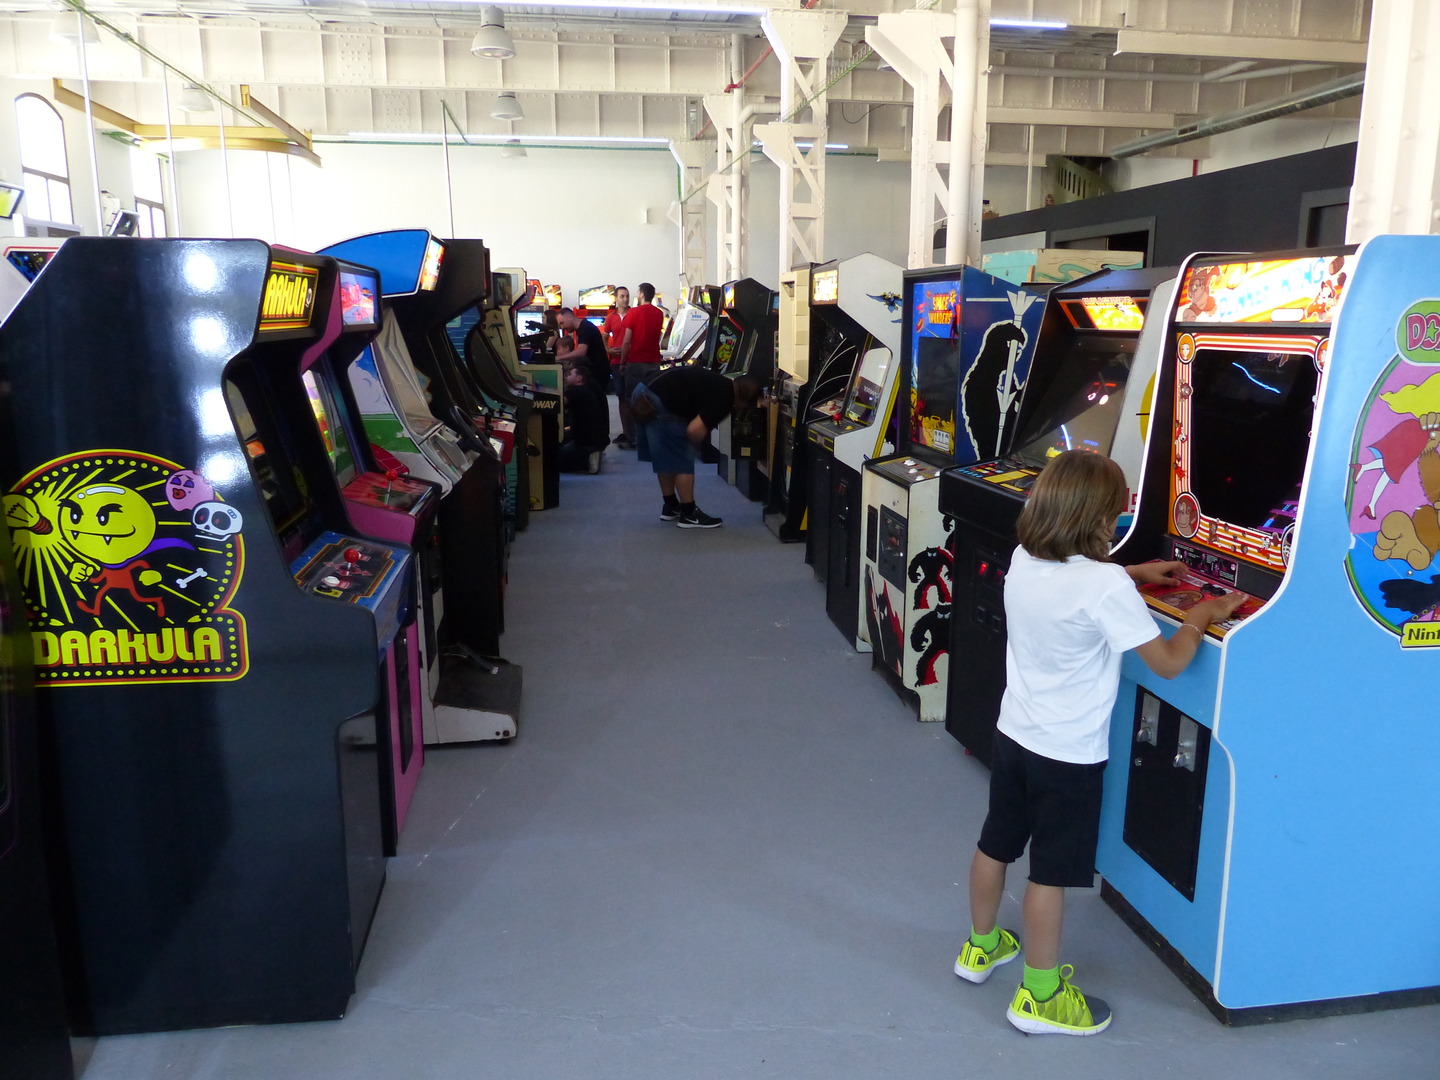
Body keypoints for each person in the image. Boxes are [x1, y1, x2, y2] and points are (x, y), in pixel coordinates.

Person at [954, 450, 1244, 1036]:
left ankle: (980, 948)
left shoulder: (1026, 557)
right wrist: (1202, 614)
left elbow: (1079, 589)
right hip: (1068, 757)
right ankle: (1039, 998)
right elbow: (1168, 663)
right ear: (1096, 518)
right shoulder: (1104, 584)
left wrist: (1135, 574)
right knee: (1051, 873)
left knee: (996, 843)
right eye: (1115, 512)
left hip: (1014, 736)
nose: (1118, 521)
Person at [631, 366, 759, 529]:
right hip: (658, 399)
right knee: (682, 458)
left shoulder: (721, 383)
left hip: (643, 391)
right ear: (744, 400)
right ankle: (689, 513)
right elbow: (694, 430)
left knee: (665, 454)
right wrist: (694, 446)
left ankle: (670, 505)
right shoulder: (725, 399)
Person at [618, 282, 666, 451]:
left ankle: (634, 438)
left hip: (636, 362)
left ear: (642, 294)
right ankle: (651, 437)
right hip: (654, 362)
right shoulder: (659, 313)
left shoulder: (634, 313)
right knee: (652, 400)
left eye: (638, 292)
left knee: (633, 399)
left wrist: (622, 362)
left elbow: (626, 342)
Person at [555, 308, 612, 441]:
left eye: (562, 323)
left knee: (596, 406)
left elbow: (581, 352)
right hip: (597, 372)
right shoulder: (583, 329)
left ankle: (596, 439)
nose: (562, 327)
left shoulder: (585, 328)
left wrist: (558, 358)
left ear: (569, 317)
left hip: (598, 373)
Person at [558, 364, 609, 473]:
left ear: (579, 378)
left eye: (570, 375)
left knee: (554, 461)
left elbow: (557, 403)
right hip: (595, 439)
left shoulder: (574, 391)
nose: (567, 377)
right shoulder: (585, 390)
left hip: (584, 442)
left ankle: (587, 459)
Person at [603, 287, 635, 448]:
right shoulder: (611, 317)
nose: (625, 299)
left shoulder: (634, 314)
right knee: (621, 397)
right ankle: (627, 432)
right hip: (616, 362)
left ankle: (635, 433)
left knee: (634, 397)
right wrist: (608, 350)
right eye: (622, 296)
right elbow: (604, 335)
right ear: (616, 298)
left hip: (633, 360)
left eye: (627, 296)